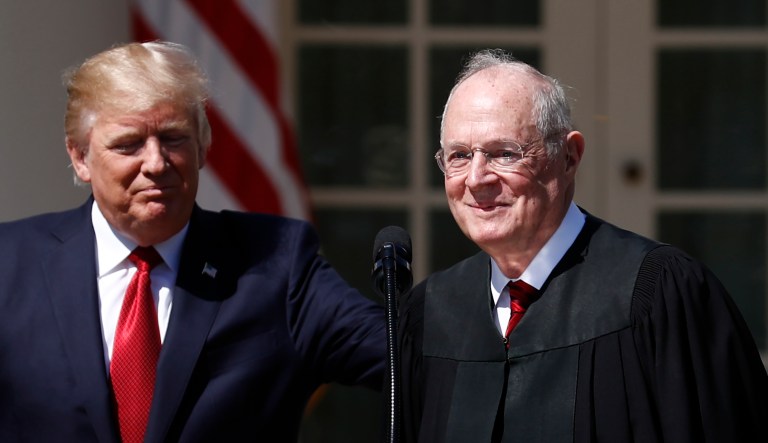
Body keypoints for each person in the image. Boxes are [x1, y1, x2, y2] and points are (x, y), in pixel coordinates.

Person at [0, 41, 385, 442]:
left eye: (172, 138)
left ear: (202, 147)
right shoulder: (10, 264)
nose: (155, 163)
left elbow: (404, 357)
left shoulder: (275, 262)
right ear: (80, 157)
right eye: (128, 144)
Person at [398, 49, 768, 442]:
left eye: (504, 153)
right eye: (459, 156)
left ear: (569, 157)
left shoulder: (658, 295)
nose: (475, 179)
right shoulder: (431, 313)